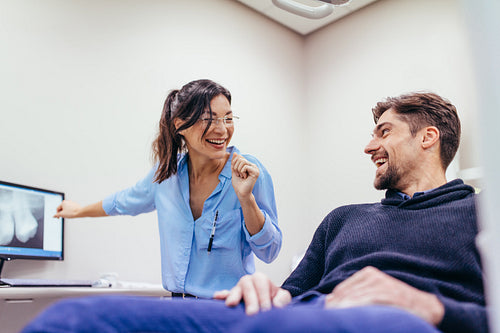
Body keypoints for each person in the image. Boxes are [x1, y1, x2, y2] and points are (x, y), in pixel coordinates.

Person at [22, 92, 487, 333]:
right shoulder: (344, 218)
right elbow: (291, 290)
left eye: (383, 132)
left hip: (393, 323)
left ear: (428, 138)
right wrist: (266, 290)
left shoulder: (483, 216)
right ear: (183, 129)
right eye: (210, 120)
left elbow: (269, 245)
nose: (368, 145)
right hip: (265, 314)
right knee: (74, 320)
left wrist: (431, 306)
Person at [52, 79, 282, 298]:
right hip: (178, 306)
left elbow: (269, 252)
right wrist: (79, 211)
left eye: (228, 119)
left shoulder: (248, 173)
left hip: (228, 310)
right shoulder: (166, 175)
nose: (222, 130)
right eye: (209, 119)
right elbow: (122, 201)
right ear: (180, 125)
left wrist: (246, 199)